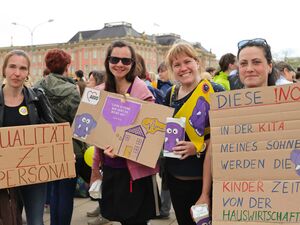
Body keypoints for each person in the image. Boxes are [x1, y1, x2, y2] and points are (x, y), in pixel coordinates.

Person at [196, 38, 280, 216]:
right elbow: (212, 153)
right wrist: (204, 194)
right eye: (243, 63)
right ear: (238, 68)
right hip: (235, 199)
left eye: (256, 62)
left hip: (277, 199)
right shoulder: (225, 107)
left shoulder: (289, 106)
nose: (249, 68)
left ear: (270, 66)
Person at [91, 40, 159, 225]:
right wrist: (95, 169)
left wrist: (122, 148)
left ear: (132, 64)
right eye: (115, 59)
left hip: (135, 174)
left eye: (125, 61)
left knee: (135, 220)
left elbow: (148, 135)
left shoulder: (142, 92)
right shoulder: (100, 92)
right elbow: (97, 136)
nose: (119, 64)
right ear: (107, 61)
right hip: (111, 170)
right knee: (117, 217)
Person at [163, 41, 224, 225]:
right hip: (175, 178)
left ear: (197, 63)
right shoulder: (170, 94)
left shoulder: (215, 91)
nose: (183, 68)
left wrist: (197, 147)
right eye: (177, 64)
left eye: (187, 61)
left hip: (204, 180)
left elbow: (225, 137)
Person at [36, 48, 90, 225]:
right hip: (70, 148)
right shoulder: (71, 90)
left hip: (47, 146)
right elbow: (79, 122)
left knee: (53, 192)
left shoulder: (37, 87)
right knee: (66, 193)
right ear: (67, 66)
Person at [0, 50, 54, 225]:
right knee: (8, 220)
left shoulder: (37, 98)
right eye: (12, 67)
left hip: (33, 173)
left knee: (36, 221)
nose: (17, 73)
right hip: (3, 173)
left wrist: (60, 154)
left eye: (23, 68)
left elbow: (51, 132)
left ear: (28, 72)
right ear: (4, 70)